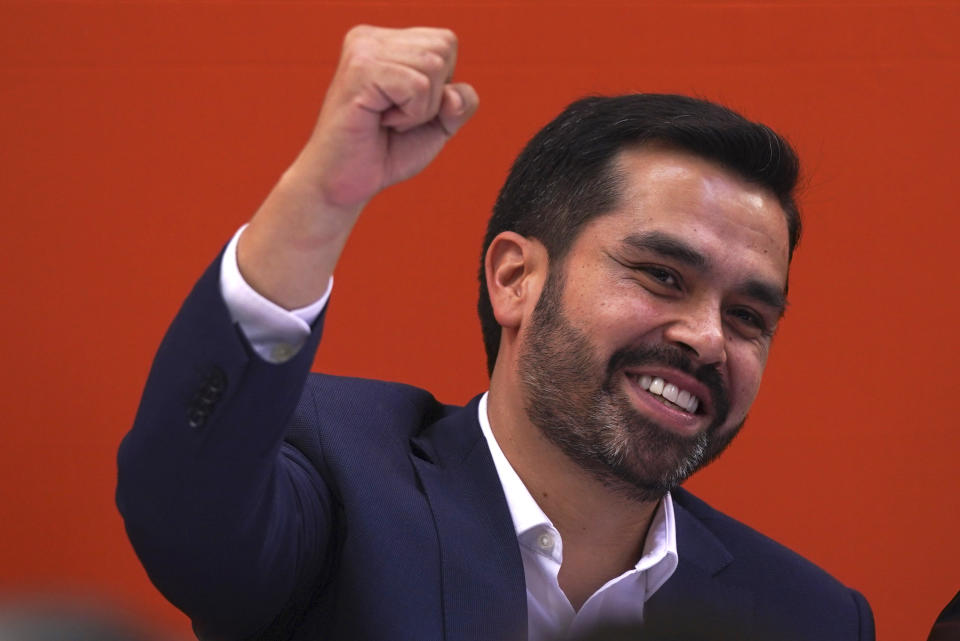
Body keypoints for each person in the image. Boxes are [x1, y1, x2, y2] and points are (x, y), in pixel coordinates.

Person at [116, 25, 875, 641]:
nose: (708, 338)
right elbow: (183, 509)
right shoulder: (340, 481)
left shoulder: (808, 617)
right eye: (661, 276)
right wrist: (321, 196)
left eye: (748, 317)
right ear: (516, 279)